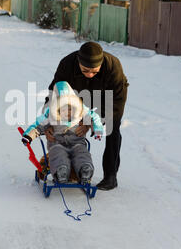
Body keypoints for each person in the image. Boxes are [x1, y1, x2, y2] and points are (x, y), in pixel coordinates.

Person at [45, 42, 128, 191]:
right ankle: (64, 163)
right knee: (63, 123)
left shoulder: (113, 67)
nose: (90, 74)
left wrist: (89, 122)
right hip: (76, 94)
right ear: (78, 62)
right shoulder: (67, 64)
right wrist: (49, 123)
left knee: (112, 128)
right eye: (85, 70)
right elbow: (54, 93)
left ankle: (110, 176)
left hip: (107, 97)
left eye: (94, 71)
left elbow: (114, 106)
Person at [22, 81, 103, 185]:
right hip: (57, 144)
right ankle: (61, 171)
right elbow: (38, 126)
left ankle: (85, 170)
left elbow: (93, 117)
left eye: (70, 109)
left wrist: (97, 130)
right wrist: (28, 136)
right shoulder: (50, 116)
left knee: (82, 154)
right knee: (58, 155)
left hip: (77, 143)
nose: (67, 112)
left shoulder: (81, 112)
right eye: (63, 110)